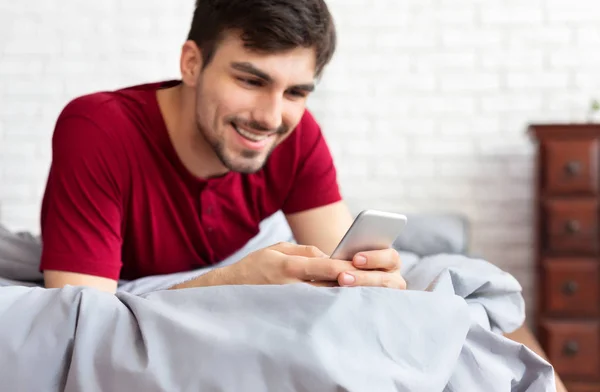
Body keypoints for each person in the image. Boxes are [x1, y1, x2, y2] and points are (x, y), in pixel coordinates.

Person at [40, 0, 406, 294]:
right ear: (192, 64)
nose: (271, 118)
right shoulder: (98, 129)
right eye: (250, 81)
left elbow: (339, 263)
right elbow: (82, 314)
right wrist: (231, 283)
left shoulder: (297, 133)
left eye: (295, 92)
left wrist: (368, 279)